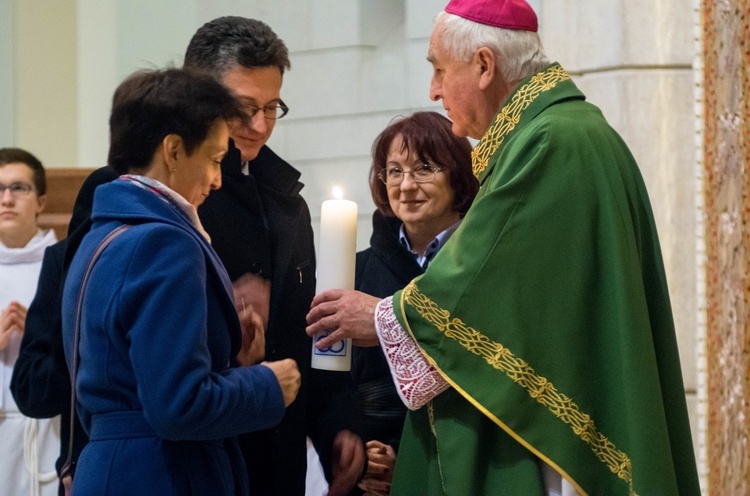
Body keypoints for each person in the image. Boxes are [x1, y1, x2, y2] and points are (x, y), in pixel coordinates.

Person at [305, 0, 701, 494]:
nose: (434, 89)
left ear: (485, 66)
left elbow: (485, 286)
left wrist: (384, 319)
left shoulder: (548, 144)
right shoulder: (559, 134)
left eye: (439, 69)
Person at [60, 68, 301, 495]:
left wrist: (227, 355)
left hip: (111, 465)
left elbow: (122, 375)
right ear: (173, 150)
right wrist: (266, 384)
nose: (217, 179)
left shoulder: (102, 234)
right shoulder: (165, 241)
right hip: (159, 471)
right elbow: (179, 406)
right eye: (212, 159)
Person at [185, 17, 342, 495]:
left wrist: (336, 424)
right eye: (244, 107)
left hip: (277, 450)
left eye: (272, 107)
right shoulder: (162, 190)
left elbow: (309, 329)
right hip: (196, 448)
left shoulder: (286, 201)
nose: (259, 125)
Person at [336, 111, 478, 495]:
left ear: (459, 175)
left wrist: (407, 455)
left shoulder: (483, 267)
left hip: (459, 461)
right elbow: (331, 375)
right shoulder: (356, 268)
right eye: (394, 171)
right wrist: (363, 456)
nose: (406, 185)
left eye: (425, 168)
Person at [11, 166, 118, 496]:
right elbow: (31, 386)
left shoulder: (176, 250)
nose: (6, 200)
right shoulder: (65, 258)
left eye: (18, 188)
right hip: (80, 449)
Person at [0, 147, 59, 496]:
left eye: (19, 188)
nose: (6, 199)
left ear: (41, 201)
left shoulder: (64, 265)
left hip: (49, 427)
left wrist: (44, 334)